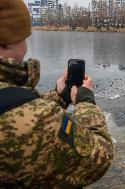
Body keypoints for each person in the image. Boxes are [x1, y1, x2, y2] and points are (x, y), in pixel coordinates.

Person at [0, 1, 113, 188]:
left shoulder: (29, 112)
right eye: (24, 38)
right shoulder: (40, 119)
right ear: (8, 41)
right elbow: (98, 157)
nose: (26, 47)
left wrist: (59, 96)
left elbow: (16, 110)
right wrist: (86, 103)